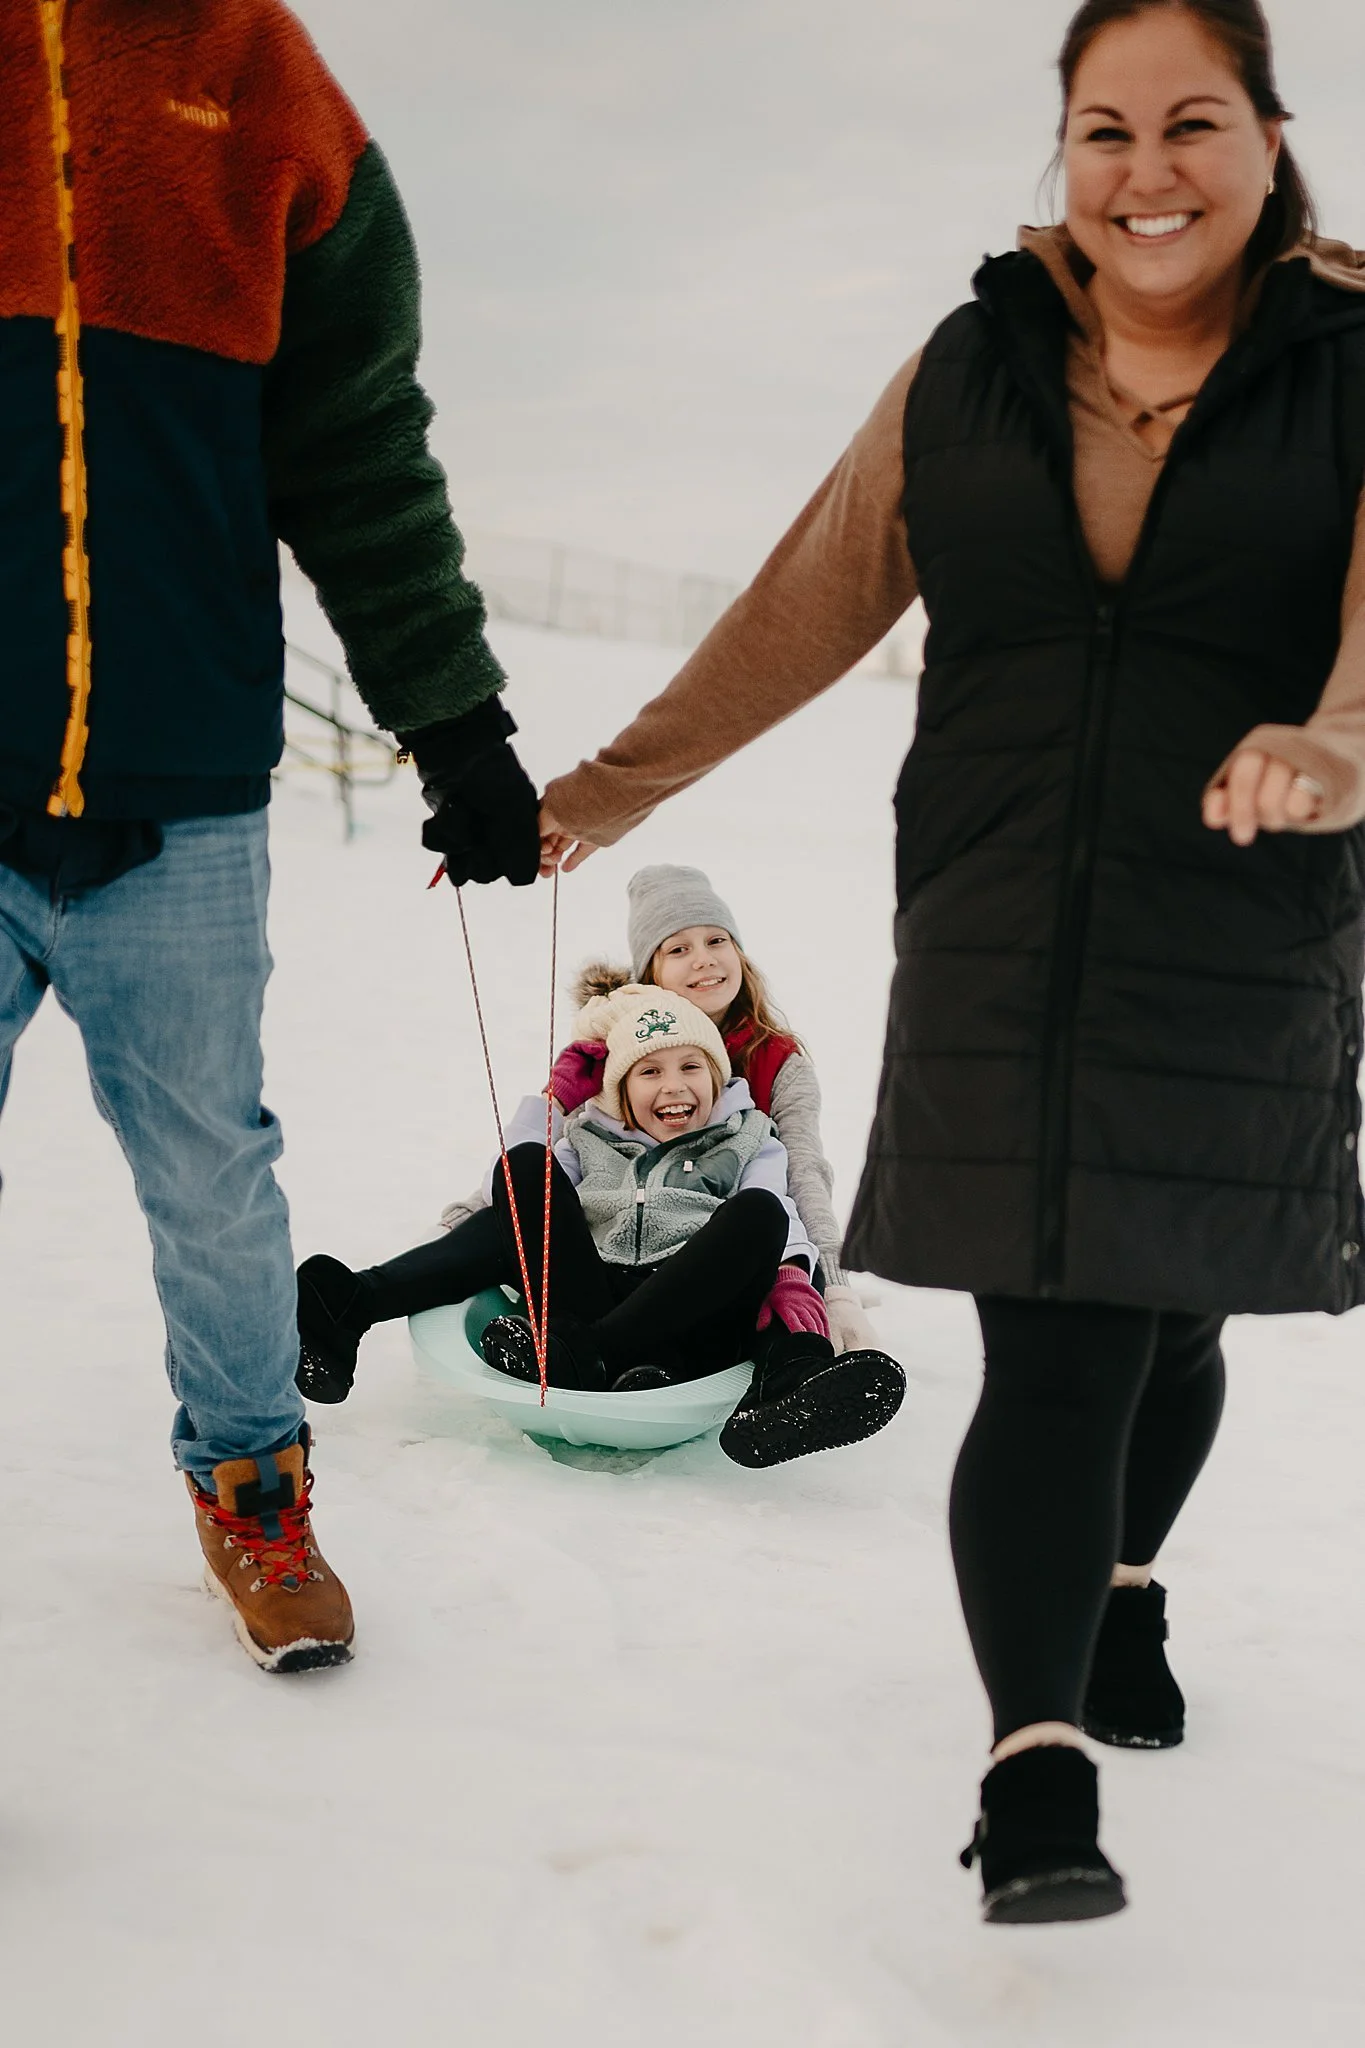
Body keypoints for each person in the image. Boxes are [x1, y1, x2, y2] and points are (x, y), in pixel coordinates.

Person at [537, 0, 1365, 1922]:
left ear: (1266, 132)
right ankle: (1037, 1768)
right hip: (997, 921)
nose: (1145, 170)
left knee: (1172, 1321)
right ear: (1062, 151)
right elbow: (796, 609)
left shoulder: (1345, 365)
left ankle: (1129, 1583)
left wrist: (1329, 751)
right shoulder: (970, 369)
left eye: (1190, 122)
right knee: (1058, 1339)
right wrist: (601, 785)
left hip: (1242, 924)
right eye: (1102, 127)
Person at [0, 2, 540, 1675]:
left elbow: (358, 439)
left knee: (215, 1179)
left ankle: (252, 1482)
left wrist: (456, 726)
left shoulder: (251, 72)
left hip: (182, 790)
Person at [295, 863, 881, 1401]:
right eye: (678, 948)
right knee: (528, 1176)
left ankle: (611, 1352)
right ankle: (352, 1299)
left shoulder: (772, 1068)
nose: (703, 960)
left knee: (758, 1214)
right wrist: (477, 1205)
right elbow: (537, 1169)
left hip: (705, 1267)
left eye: (716, 940)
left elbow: (798, 1175)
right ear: (648, 974)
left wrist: (826, 1282)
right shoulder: (605, 1063)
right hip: (595, 1261)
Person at [326, 983, 906, 1467]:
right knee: (527, 1165)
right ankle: (598, 1354)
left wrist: (793, 1278)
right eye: (649, 1071)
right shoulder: (589, 1137)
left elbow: (777, 1213)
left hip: (691, 1309)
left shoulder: (750, 1138)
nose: (673, 1084)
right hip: (589, 1297)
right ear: (621, 1093)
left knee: (759, 1215)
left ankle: (764, 1385)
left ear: (717, 1079)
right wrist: (554, 1101)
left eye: (691, 1067)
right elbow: (508, 1189)